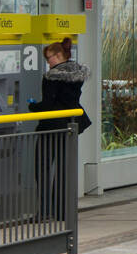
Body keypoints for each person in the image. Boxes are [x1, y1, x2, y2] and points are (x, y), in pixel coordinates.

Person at [29, 37, 91, 219]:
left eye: (50, 58)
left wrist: (32, 106)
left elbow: (48, 104)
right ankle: (62, 211)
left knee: (42, 168)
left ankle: (44, 211)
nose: (49, 63)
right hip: (70, 125)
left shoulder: (51, 77)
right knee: (63, 170)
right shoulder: (77, 74)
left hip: (52, 126)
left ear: (58, 55)